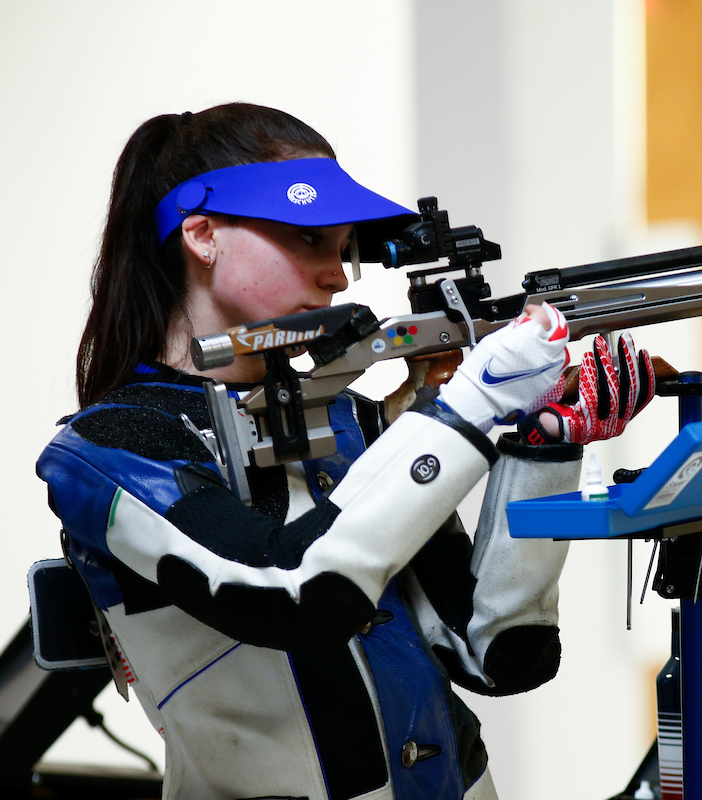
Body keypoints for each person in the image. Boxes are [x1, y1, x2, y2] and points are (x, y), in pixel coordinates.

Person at [37, 103, 654, 800]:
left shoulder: (352, 420)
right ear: (202, 235)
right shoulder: (107, 448)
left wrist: (542, 449)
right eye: (308, 241)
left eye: (342, 248)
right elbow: (292, 593)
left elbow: (500, 655)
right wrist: (466, 410)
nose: (337, 276)